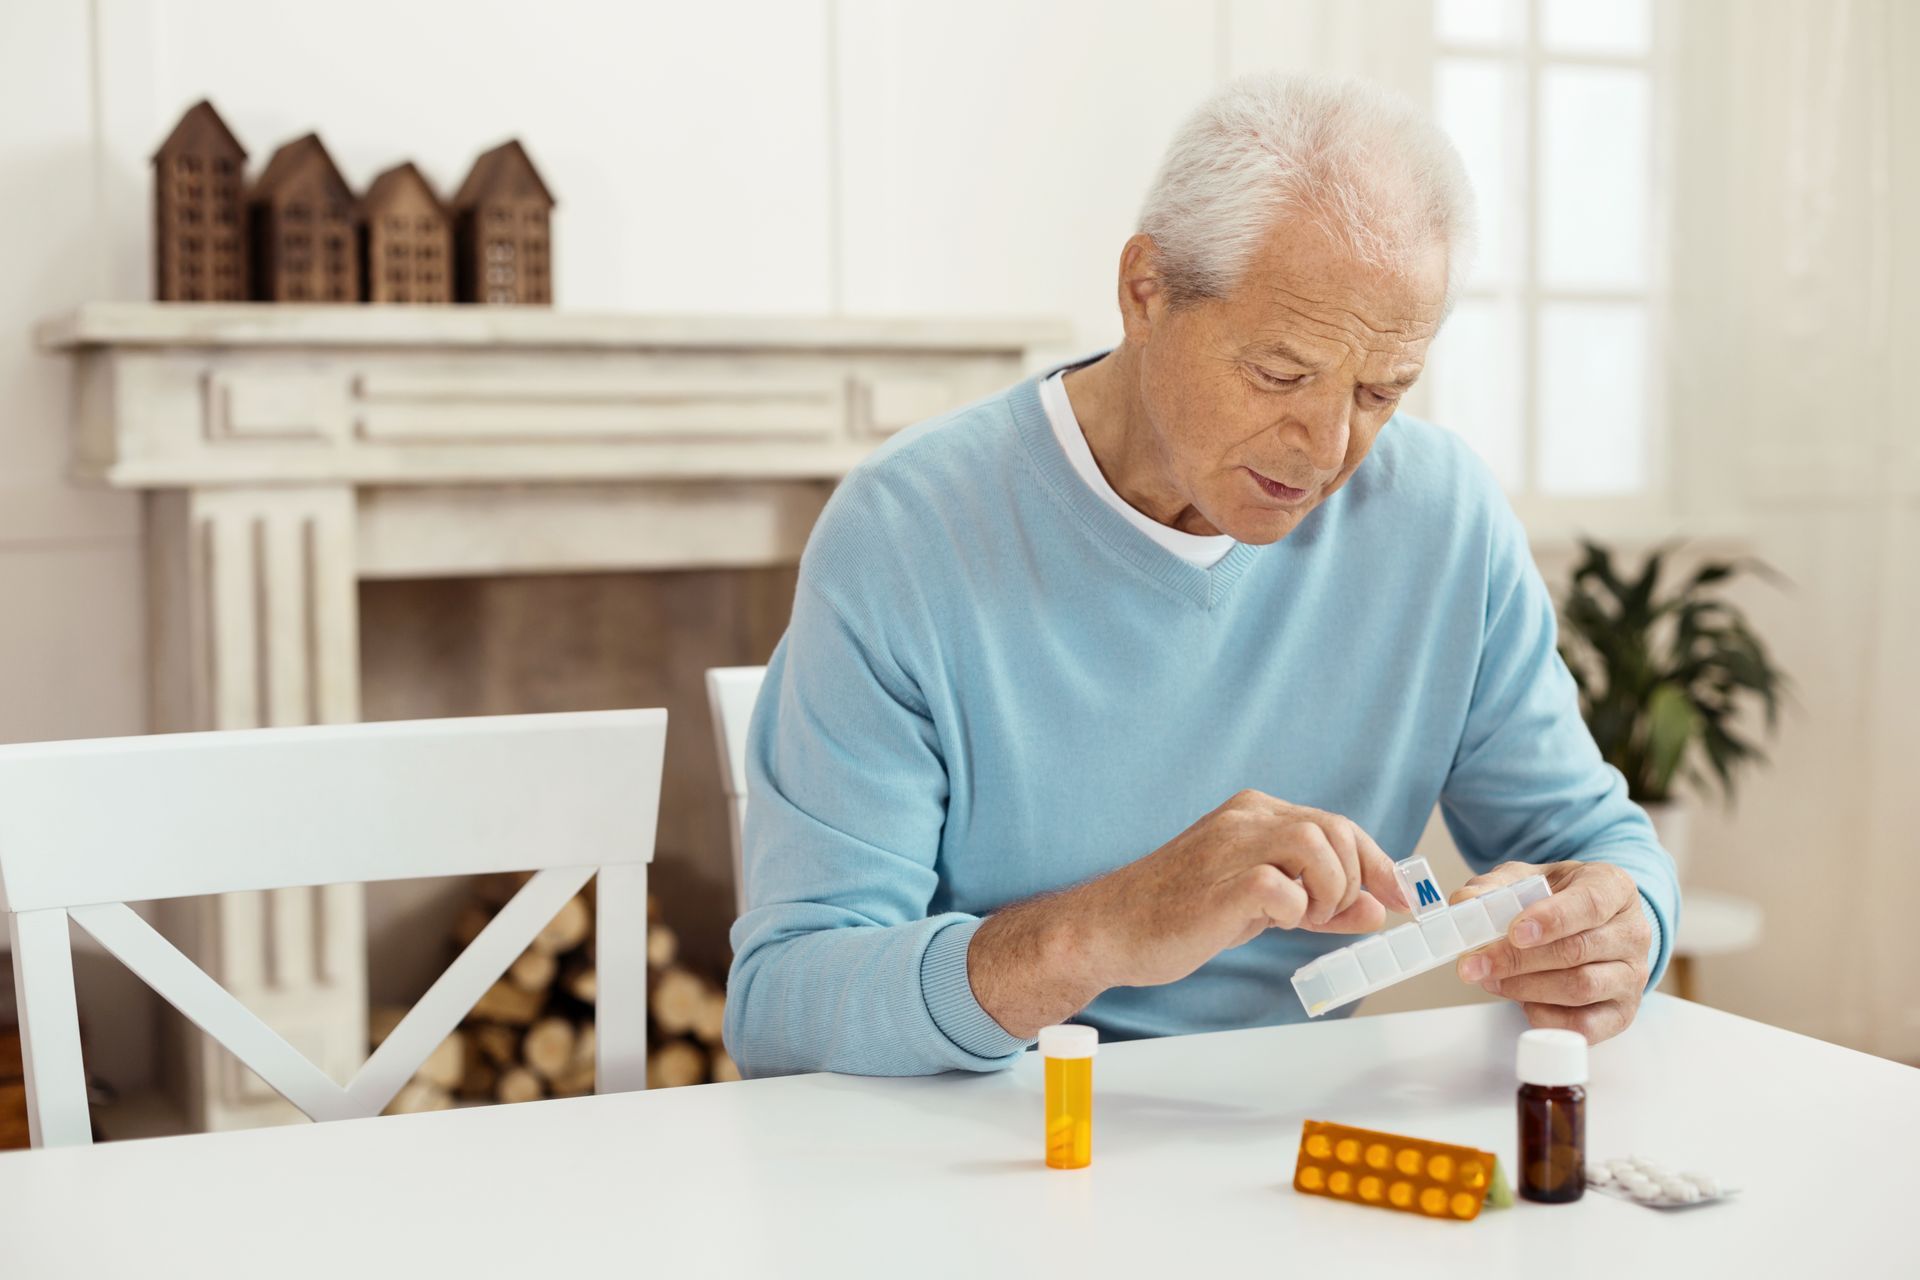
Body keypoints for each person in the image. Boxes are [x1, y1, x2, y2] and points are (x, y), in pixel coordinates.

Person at [723, 72, 1678, 1078]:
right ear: (1146, 291)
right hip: (1000, 1133)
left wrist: (1623, 928)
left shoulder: (1441, 520)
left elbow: (1597, 844)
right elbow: (785, 1009)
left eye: (1381, 391)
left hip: (1288, 1135)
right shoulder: (908, 532)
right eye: (1280, 373)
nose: (1328, 447)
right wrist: (1099, 930)